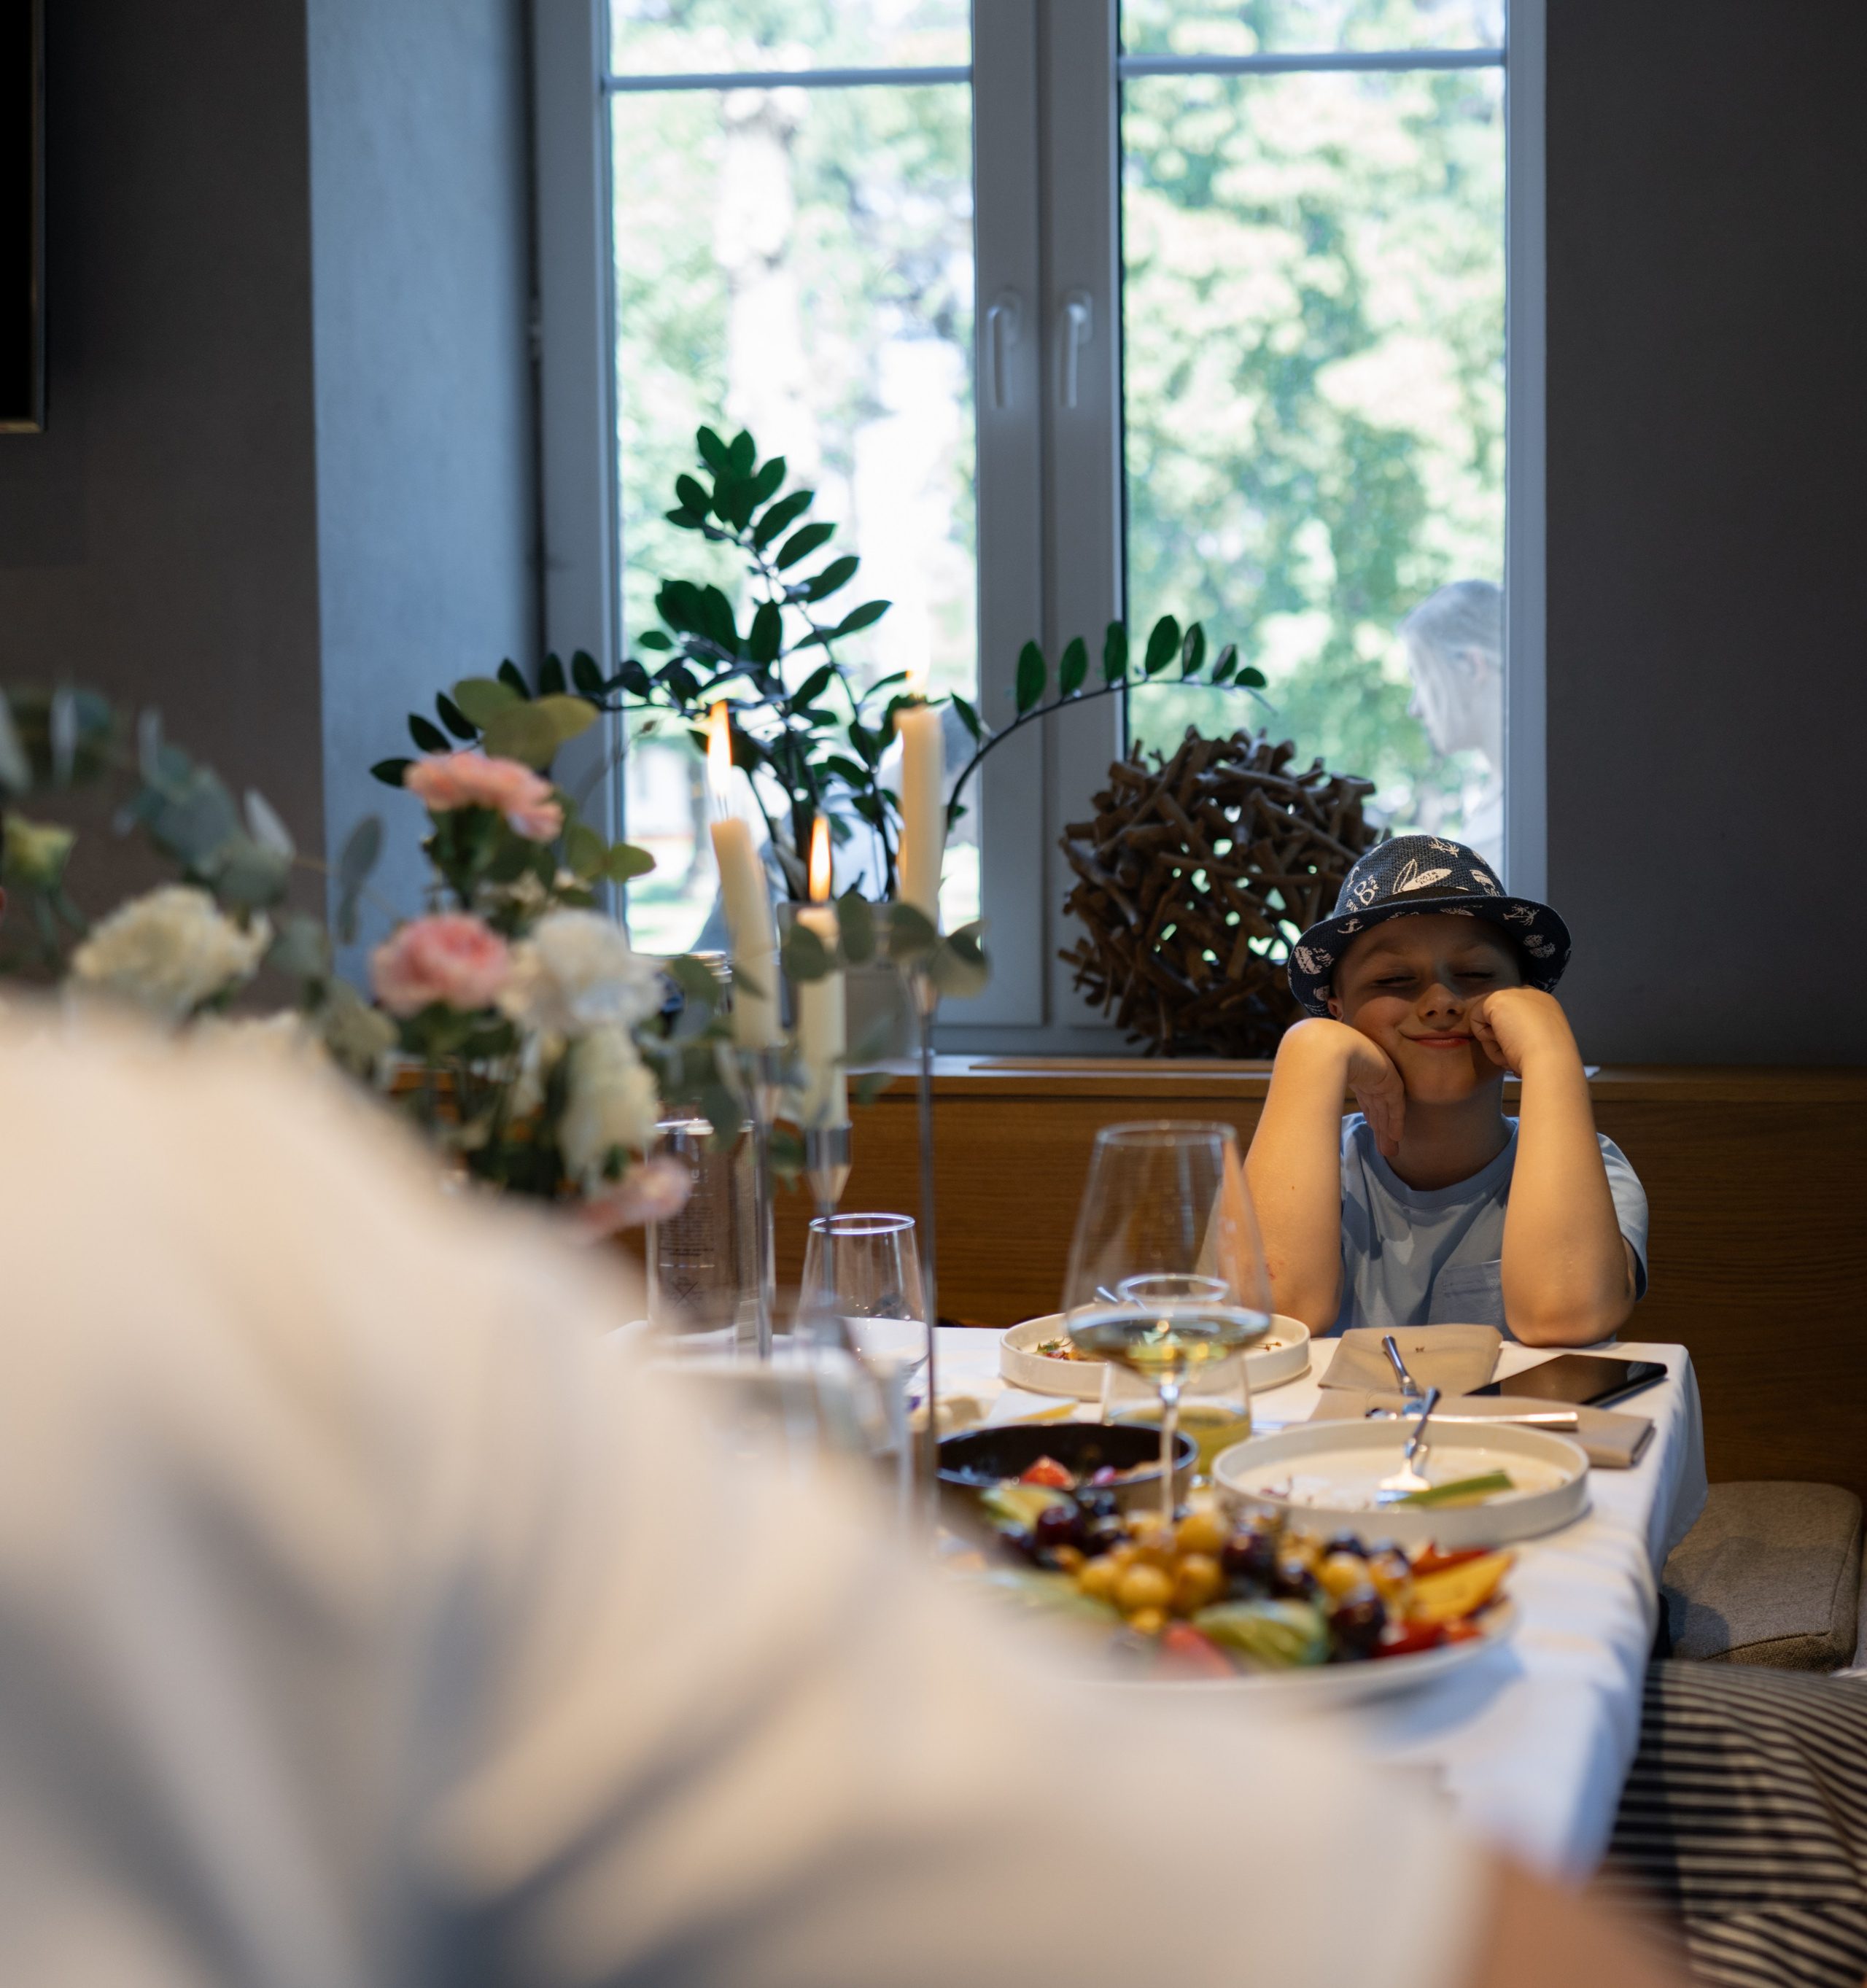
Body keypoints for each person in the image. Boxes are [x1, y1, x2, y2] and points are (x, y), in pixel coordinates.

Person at [0, 1010, 1681, 1987]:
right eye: (1391, 984)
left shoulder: (179, 1231)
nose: (1434, 1014)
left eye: (1472, 986)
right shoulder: (207, 1236)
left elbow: (1528, 1305)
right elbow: (1455, 1940)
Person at [1249, 834, 1646, 1343]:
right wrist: (1309, 1050)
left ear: (1524, 1000)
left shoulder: (1593, 1170)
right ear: (1338, 1012)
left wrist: (1550, 1053)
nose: (1440, 1001)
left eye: (1476, 972)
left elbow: (1564, 1313)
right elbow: (1270, 1322)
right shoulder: (1307, 1168)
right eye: (1393, 979)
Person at [1401, 581, 1505, 872]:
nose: (1415, 708)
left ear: (1471, 666)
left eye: (1420, 677)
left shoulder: (1525, 820)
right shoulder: (1501, 802)